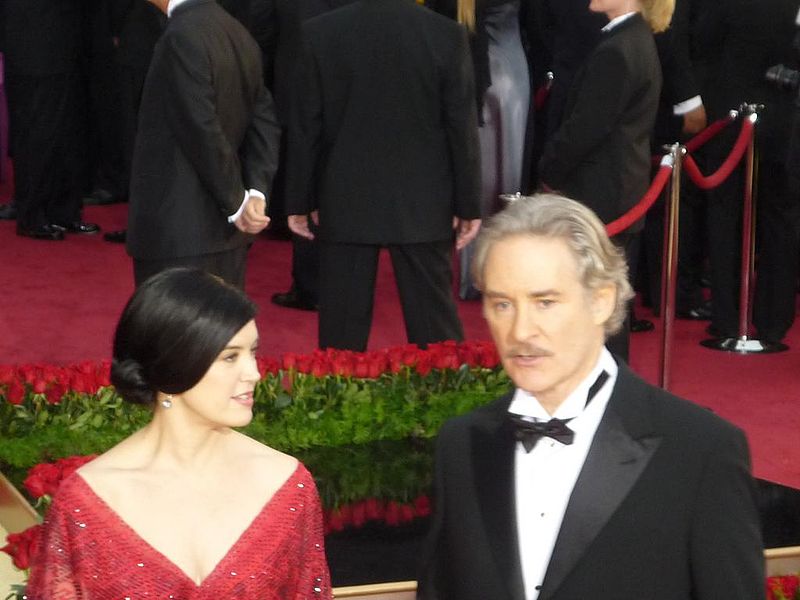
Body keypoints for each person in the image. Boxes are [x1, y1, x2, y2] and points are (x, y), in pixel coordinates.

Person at [417, 194, 764, 600]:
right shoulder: (461, 445)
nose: (520, 331)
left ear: (602, 300)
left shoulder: (700, 451)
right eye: (502, 304)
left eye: (544, 302)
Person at [26, 268, 332, 598]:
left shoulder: (286, 487)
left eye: (253, 352)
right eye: (230, 357)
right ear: (175, 363)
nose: (254, 373)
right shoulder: (89, 502)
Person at [285, 0, 482, 351]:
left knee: (340, 339)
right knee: (436, 334)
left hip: (345, 196)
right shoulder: (446, 35)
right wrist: (469, 204)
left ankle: (339, 402)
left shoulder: (319, 33)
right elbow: (461, 131)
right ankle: (446, 404)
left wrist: (300, 199)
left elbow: (305, 129)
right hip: (423, 200)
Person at [538, 0, 673, 360]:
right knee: (605, 306)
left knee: (598, 309)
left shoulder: (617, 50)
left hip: (601, 197)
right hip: (618, 191)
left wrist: (548, 173)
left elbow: (585, 129)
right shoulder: (633, 39)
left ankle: (605, 395)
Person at [126, 0, 281, 288]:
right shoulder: (237, 32)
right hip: (225, 235)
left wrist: (237, 202)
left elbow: (200, 127)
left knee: (172, 333)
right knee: (221, 331)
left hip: (178, 232)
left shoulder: (180, 36)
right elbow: (265, 122)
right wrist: (256, 193)